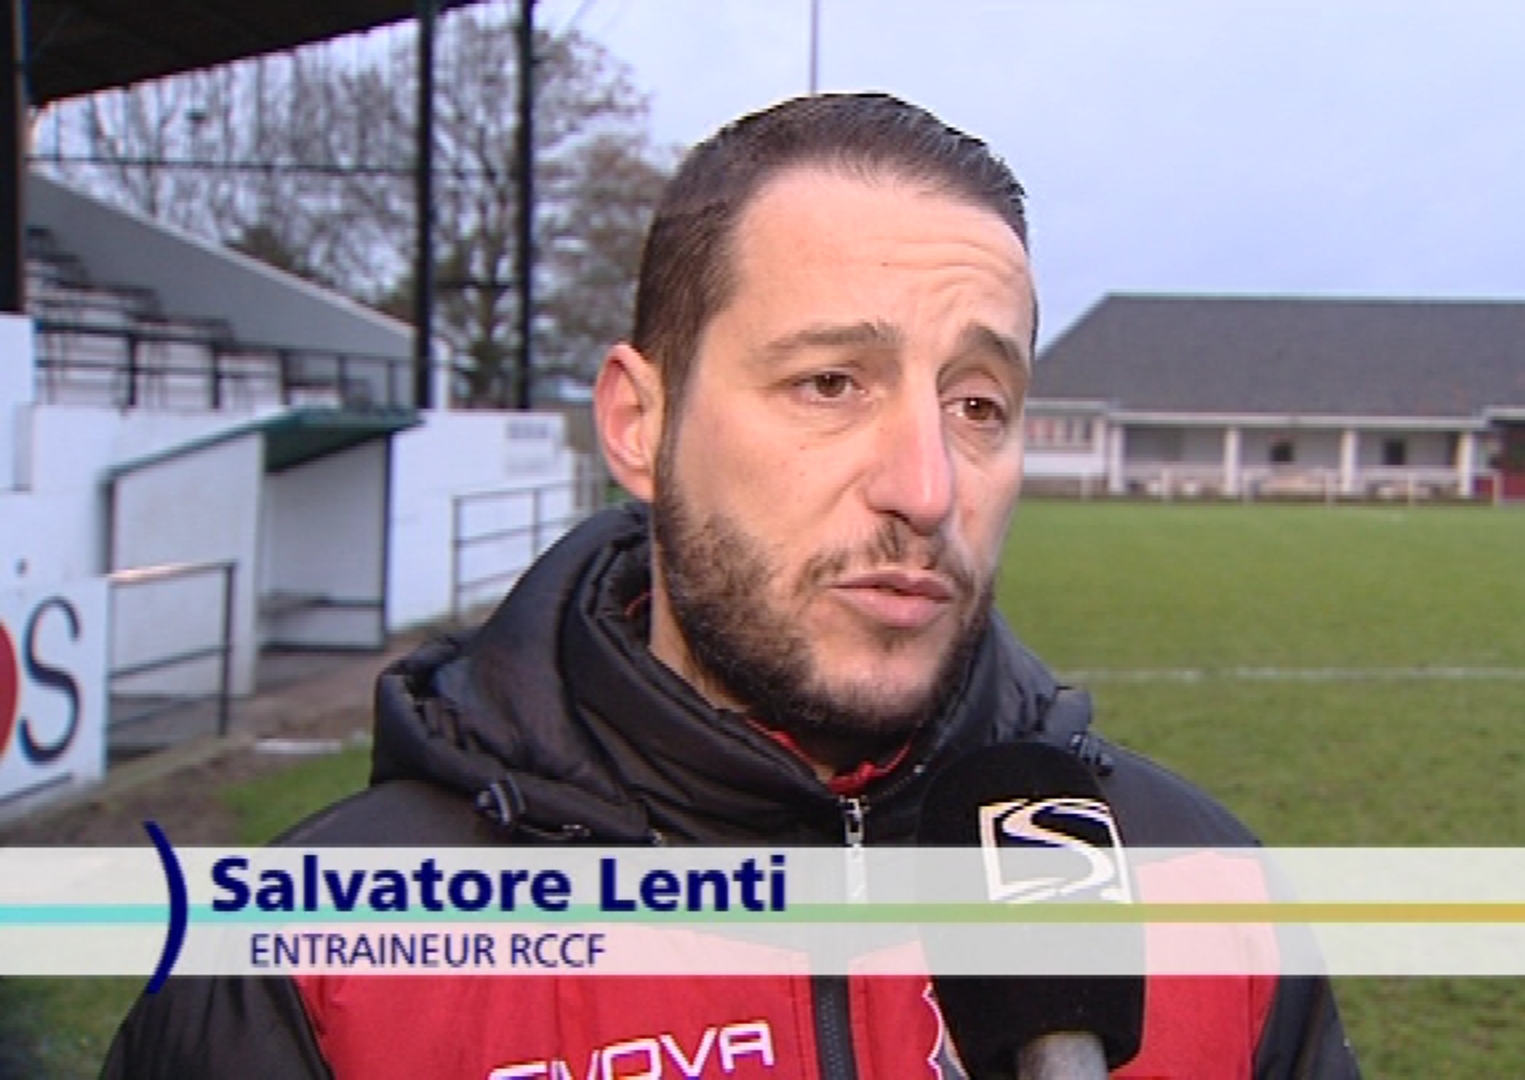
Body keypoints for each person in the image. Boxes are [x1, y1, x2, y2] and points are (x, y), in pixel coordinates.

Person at [105, 92, 1360, 1078]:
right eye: (831, 384)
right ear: (638, 424)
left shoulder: (1205, 898)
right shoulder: (316, 964)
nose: (926, 486)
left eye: (978, 404)